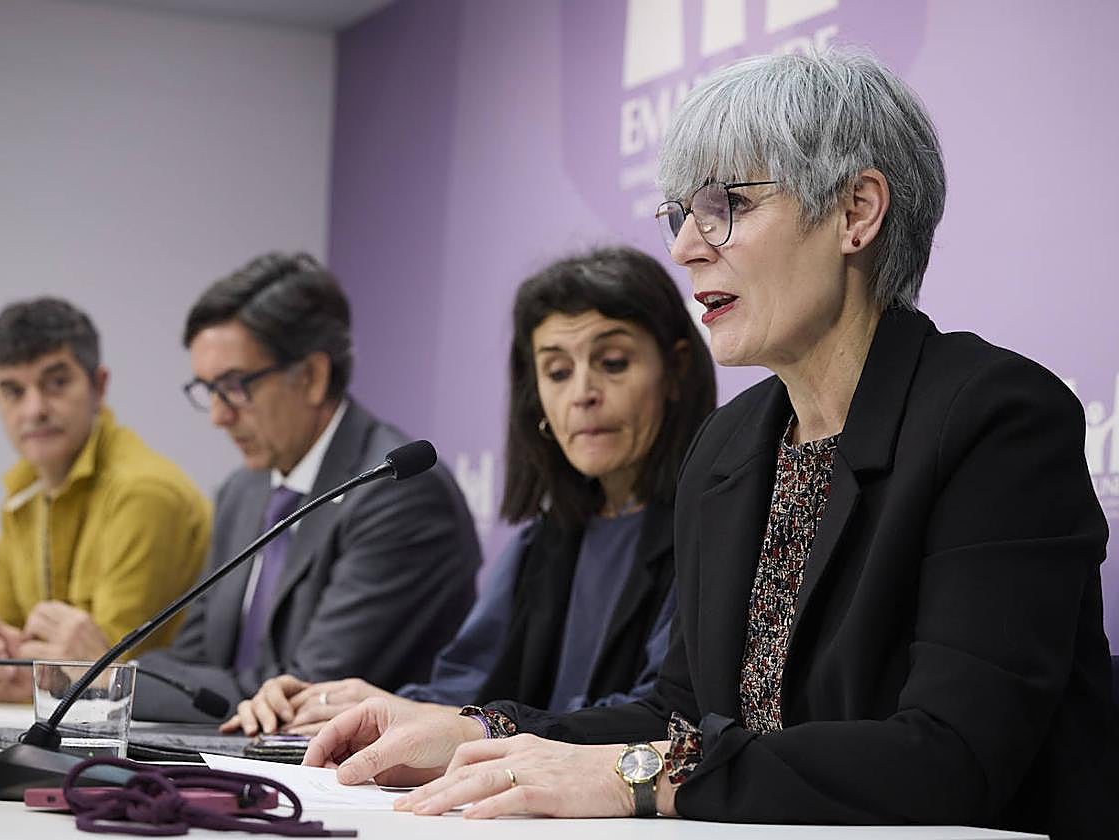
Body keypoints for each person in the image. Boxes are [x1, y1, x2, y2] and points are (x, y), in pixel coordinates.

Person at [302, 50, 1119, 838]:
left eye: (727, 205)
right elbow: (681, 719)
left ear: (856, 212)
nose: (686, 247)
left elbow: (951, 757)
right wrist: (481, 731)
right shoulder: (728, 444)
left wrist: (636, 777)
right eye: (681, 214)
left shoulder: (997, 420)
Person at [221, 246, 716, 737]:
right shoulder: (541, 543)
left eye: (613, 362)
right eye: (558, 372)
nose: (583, 394)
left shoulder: (713, 531)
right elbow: (461, 691)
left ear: (675, 370)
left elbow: (665, 717)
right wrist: (352, 708)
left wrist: (483, 727)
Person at [132, 252, 481, 722]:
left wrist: (119, 684)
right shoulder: (242, 492)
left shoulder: (398, 492)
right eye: (209, 390)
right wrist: (109, 679)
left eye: (234, 386)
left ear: (313, 377)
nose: (218, 415)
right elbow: (189, 666)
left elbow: (304, 693)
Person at [0, 297, 210, 701]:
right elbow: (14, 646)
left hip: (153, 729)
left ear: (99, 386)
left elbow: (110, 669)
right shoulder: (21, 493)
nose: (34, 409)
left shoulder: (144, 492)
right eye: (13, 391)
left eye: (56, 383)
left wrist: (32, 677)